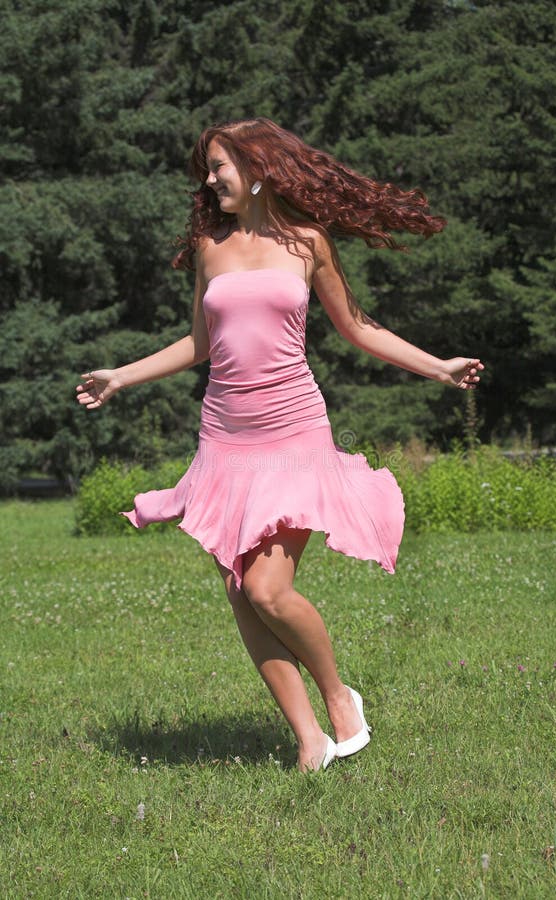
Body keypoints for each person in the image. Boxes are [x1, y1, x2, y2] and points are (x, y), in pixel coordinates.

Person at [76, 118, 483, 772]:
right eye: (206, 170)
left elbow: (355, 326)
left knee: (268, 589)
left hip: (293, 432)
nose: (209, 181)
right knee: (242, 591)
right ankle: (308, 739)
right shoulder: (212, 248)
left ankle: (338, 695)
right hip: (224, 440)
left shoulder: (306, 243)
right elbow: (201, 345)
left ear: (258, 166)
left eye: (218, 166)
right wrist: (121, 376)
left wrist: (437, 366)